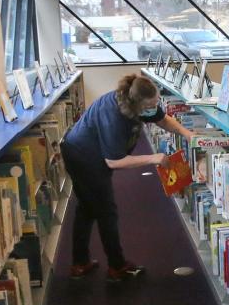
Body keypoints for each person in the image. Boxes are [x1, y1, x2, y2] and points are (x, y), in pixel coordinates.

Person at [61, 73, 193, 282]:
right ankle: (117, 267)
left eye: (157, 101)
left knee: (86, 208)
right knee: (106, 211)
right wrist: (154, 158)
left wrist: (186, 133)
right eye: (151, 104)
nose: (155, 106)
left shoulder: (139, 99)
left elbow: (161, 119)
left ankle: (80, 263)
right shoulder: (113, 115)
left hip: (87, 152)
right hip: (83, 156)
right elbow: (113, 161)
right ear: (136, 105)